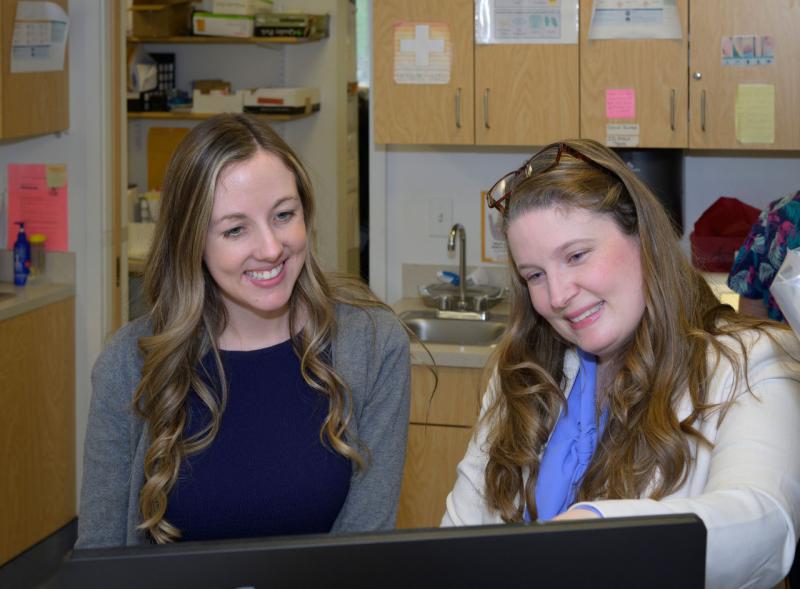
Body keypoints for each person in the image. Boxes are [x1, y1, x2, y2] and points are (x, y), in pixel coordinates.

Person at [441, 139, 800, 589]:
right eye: (534, 275)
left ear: (643, 240)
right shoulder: (521, 372)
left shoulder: (749, 361)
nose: (557, 296)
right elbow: (459, 538)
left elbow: (764, 525)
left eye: (576, 256)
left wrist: (598, 529)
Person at [76, 114, 410, 548]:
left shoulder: (372, 345)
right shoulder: (129, 362)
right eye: (235, 229)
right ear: (191, 242)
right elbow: (100, 553)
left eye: (283, 215)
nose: (271, 248)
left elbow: (364, 547)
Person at [728, 189, 800, 320]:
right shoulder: (779, 214)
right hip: (781, 337)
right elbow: (752, 305)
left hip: (779, 337)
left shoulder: (779, 213)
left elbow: (751, 312)